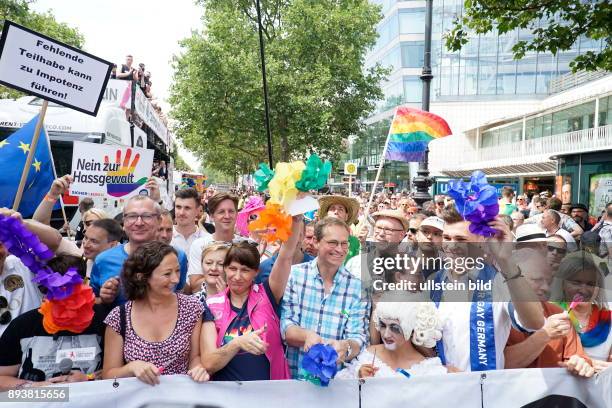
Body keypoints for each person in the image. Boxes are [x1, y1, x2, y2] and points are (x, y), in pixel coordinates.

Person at [430, 207, 545, 372]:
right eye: (446, 237)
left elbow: (535, 323)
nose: (451, 245)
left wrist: (506, 261)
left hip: (484, 392)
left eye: (461, 239)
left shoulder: (500, 282)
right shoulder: (433, 281)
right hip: (438, 389)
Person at [200, 216, 303, 381]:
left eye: (245, 270)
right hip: (226, 397)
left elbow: (285, 256)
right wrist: (237, 343)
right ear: (225, 269)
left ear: (256, 272)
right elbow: (209, 362)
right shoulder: (211, 305)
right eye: (232, 268)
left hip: (269, 395)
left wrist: (296, 219)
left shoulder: (268, 294)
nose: (237, 276)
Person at [102, 242, 208, 385]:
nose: (176, 279)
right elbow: (108, 375)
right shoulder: (118, 318)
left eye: (178, 271)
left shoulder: (192, 308)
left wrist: (198, 369)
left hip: (181, 396)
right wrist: (132, 368)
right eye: (167, 274)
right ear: (141, 277)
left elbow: (195, 357)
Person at [281, 217, 370, 378]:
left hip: (336, 383)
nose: (340, 249)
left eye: (344, 244)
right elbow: (287, 327)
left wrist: (346, 347)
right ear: (316, 241)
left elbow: (359, 337)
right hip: (295, 378)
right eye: (333, 243)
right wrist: (307, 336)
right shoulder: (294, 275)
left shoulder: (358, 287)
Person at [0, 256, 107, 389]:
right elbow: (2, 378)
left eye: (70, 288)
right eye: (55, 290)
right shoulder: (23, 325)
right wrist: (37, 387)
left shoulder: (103, 319)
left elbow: (116, 372)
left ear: (84, 284)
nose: (64, 297)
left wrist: (89, 378)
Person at [504, 249, 594, 377]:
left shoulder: (557, 314)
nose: (546, 288)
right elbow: (499, 364)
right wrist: (545, 334)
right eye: (537, 280)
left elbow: (578, 357)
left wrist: (580, 364)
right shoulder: (495, 315)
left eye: (548, 281)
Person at [90, 196, 187, 307]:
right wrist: (104, 299)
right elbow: (91, 302)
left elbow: (180, 296)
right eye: (132, 216)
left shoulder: (177, 257)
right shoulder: (103, 260)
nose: (139, 223)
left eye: (147, 216)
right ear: (124, 221)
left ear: (159, 220)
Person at [337, 302, 450, 379]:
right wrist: (358, 376)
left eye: (395, 328)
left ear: (411, 329)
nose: (386, 334)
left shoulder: (427, 369)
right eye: (382, 325)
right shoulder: (369, 356)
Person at [550, 252, 611, 372]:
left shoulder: (608, 319)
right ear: (563, 284)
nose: (583, 290)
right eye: (576, 282)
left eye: (590, 284)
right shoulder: (551, 314)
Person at [187, 193, 244, 292]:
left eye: (231, 211)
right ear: (212, 216)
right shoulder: (199, 245)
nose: (227, 216)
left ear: (236, 214)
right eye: (221, 212)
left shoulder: (247, 245)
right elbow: (195, 286)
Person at [318, 195, 361, 263]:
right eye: (332, 208)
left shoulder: (354, 242)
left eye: (340, 209)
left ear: (346, 216)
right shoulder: (317, 237)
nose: (336, 212)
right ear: (326, 214)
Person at [171, 188, 209, 255]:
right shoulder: (164, 237)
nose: (181, 213)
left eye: (187, 208)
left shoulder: (207, 240)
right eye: (178, 207)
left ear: (197, 211)